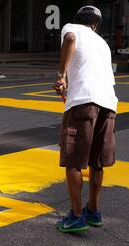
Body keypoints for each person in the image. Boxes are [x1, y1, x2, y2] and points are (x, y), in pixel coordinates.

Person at [54, 6, 118, 233]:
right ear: (96, 24)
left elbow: (70, 39)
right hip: (109, 103)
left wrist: (61, 76)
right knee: (97, 161)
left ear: (78, 19)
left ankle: (76, 217)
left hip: (83, 102)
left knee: (73, 160)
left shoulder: (72, 29)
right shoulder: (102, 44)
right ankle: (93, 211)